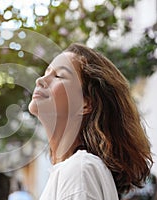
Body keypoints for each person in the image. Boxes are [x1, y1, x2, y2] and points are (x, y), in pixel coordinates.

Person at [28, 43, 152, 200]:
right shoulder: (72, 170)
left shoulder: (79, 170)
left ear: (85, 103)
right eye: (46, 72)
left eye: (58, 76)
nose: (41, 80)